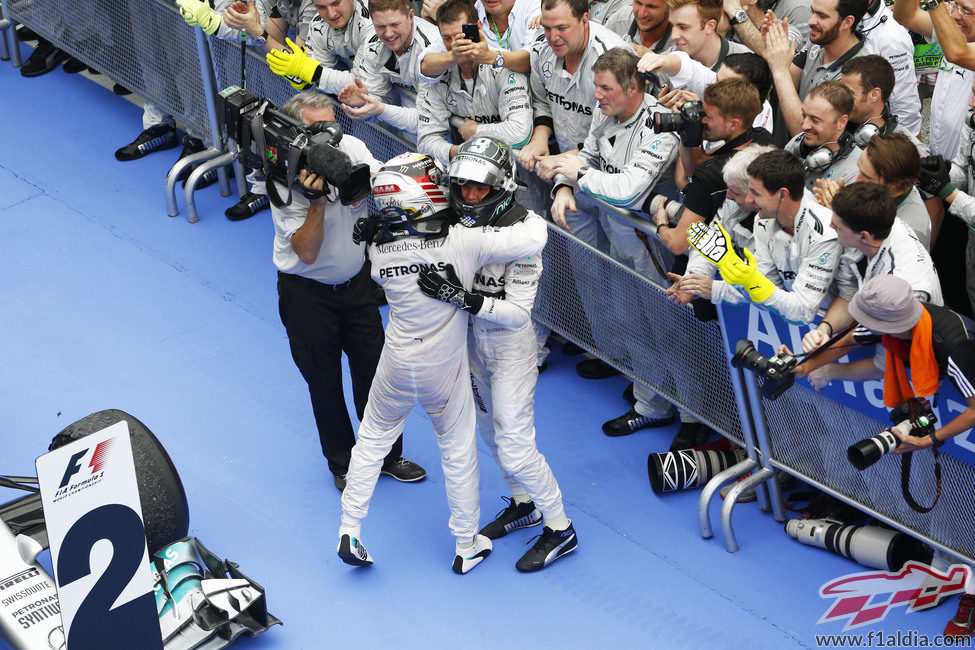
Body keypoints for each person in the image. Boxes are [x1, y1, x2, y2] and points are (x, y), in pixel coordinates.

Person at [337, 152, 548, 573]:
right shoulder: (462, 242)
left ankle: (349, 528)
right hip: (442, 370)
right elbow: (534, 236)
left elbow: (392, 256)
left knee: (370, 442)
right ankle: (466, 544)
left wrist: (385, 230)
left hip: (395, 363)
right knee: (458, 453)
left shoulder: (379, 253)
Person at [417, 136, 577, 572]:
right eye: (463, 186)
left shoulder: (524, 232)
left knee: (514, 442)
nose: (470, 195)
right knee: (488, 430)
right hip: (468, 344)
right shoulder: (453, 220)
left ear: (501, 186)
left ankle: (560, 528)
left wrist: (463, 299)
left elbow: (518, 314)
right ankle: (523, 503)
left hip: (509, 349)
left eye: (479, 188)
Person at [270, 93, 426, 494]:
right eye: (316, 133)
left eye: (331, 128)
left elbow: (382, 185)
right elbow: (305, 252)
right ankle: (343, 463)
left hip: (357, 286)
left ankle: (389, 457)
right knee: (323, 383)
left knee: (377, 376)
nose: (329, 142)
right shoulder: (282, 179)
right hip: (306, 295)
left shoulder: (350, 147)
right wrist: (316, 204)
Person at [793, 182, 942, 387]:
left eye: (837, 225)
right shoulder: (876, 225)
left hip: (923, 372)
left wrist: (827, 370)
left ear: (863, 235)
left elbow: (881, 364)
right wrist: (824, 330)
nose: (830, 226)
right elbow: (849, 296)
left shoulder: (903, 287)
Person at [686, 148, 844, 324]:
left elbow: (802, 312)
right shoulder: (763, 220)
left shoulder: (825, 232)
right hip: (801, 327)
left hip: (841, 329)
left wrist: (751, 281)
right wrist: (743, 277)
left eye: (756, 193)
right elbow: (769, 288)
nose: (748, 200)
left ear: (782, 194)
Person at [651, 77, 768, 256]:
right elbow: (697, 166)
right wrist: (689, 131)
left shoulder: (708, 177)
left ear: (733, 124)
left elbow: (677, 244)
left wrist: (661, 224)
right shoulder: (762, 137)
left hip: (717, 265)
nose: (702, 121)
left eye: (708, 117)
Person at [416, 0, 533, 165]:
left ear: (478, 27)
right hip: (464, 171)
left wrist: (476, 131)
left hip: (515, 170)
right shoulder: (436, 72)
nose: (455, 45)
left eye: (460, 36)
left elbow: (519, 131)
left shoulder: (504, 64)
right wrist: (456, 152)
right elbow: (426, 141)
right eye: (447, 38)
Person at [762, 0, 867, 139]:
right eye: (813, 12)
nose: (810, 21)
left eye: (822, 16)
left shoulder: (857, 73)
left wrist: (780, 70)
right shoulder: (817, 42)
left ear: (847, 22)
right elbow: (779, 92)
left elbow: (805, 132)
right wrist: (775, 46)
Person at [336, 0, 444, 137]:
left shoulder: (433, 50)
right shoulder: (372, 42)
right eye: (380, 26)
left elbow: (428, 121)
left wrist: (380, 109)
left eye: (395, 24)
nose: (388, 34)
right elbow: (374, 108)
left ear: (411, 16)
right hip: (408, 130)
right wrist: (365, 102)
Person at [892, 0, 975, 160]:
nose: (955, 15)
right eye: (955, 5)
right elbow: (905, 16)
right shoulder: (958, 32)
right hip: (944, 165)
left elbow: (957, 53)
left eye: (965, 9)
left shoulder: (957, 45)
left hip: (965, 170)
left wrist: (933, 2)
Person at [838, 55, 927, 156]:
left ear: (874, 95)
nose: (841, 99)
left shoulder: (912, 153)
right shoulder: (837, 126)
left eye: (849, 93)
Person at [783, 81, 862, 190]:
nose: (804, 126)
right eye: (804, 115)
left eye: (815, 120)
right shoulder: (797, 142)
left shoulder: (856, 172)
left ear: (842, 122)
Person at [603, 0, 676, 56]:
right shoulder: (619, 20)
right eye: (638, 3)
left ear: (670, 7)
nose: (641, 14)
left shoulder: (681, 37)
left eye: (651, 6)